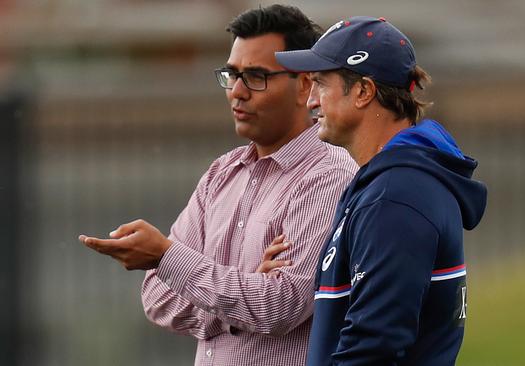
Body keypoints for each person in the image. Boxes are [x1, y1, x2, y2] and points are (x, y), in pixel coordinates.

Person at [78, 5, 357, 366]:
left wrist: (168, 257)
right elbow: (157, 299)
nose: (237, 92)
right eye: (232, 74)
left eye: (256, 76)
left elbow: (280, 306)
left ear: (305, 84)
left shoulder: (328, 175)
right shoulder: (221, 174)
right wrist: (241, 296)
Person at [275, 16, 488, 366]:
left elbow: (374, 347)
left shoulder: (394, 197)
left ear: (363, 91)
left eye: (320, 84)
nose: (310, 100)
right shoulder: (391, 184)